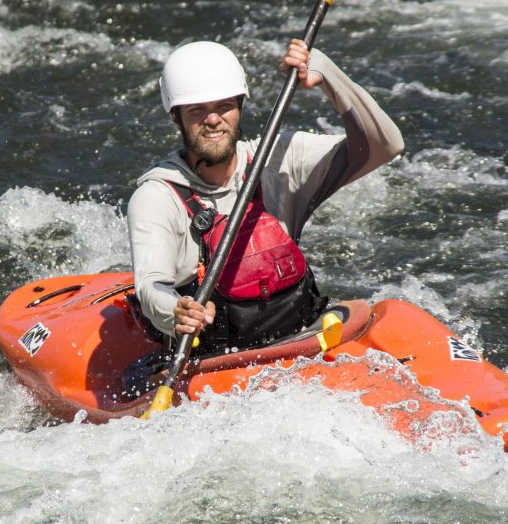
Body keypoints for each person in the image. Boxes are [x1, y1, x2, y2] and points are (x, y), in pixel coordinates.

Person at [129, 38, 403, 356]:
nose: (213, 119)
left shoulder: (279, 159)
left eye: (224, 106)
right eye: (196, 110)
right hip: (216, 357)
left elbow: (385, 145)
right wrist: (177, 310)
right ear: (175, 117)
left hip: (300, 336)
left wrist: (328, 75)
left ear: (240, 106)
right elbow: (151, 285)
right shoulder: (157, 196)